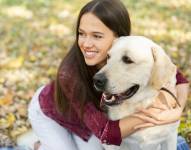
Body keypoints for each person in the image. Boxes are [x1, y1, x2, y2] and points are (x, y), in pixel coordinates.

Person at [28, 0, 189, 150]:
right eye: (81, 33)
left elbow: (176, 76)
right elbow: (106, 133)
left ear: (118, 37)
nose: (86, 44)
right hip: (52, 111)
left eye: (97, 36)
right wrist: (156, 115)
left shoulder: (128, 46)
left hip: (91, 117)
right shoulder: (69, 75)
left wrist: (176, 111)